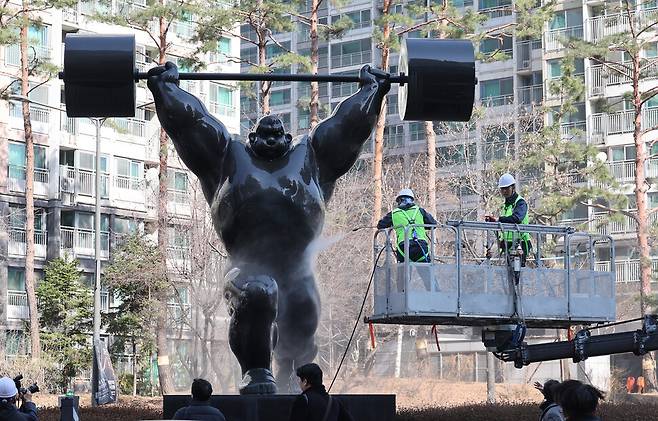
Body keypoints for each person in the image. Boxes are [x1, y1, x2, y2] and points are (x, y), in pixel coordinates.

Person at [148, 62, 390, 393]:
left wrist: (373, 91)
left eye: (278, 135)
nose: (272, 140)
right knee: (258, 292)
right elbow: (190, 123)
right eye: (264, 135)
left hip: (297, 273)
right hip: (246, 271)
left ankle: (291, 377)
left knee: (302, 322)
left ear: (289, 138)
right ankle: (257, 373)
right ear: (251, 138)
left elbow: (349, 126)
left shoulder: (313, 157)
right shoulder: (225, 157)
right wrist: (165, 89)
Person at [377, 188, 438, 263]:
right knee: (427, 272)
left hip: (404, 248)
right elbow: (433, 224)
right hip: (421, 247)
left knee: (402, 272)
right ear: (412, 200)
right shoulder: (420, 211)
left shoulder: (394, 213)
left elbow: (380, 225)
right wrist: (420, 226)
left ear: (399, 201)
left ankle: (402, 275)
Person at [485, 173, 532, 266]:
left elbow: (517, 218)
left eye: (507, 188)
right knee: (507, 271)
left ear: (513, 187)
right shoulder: (506, 205)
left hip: (521, 242)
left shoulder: (520, 202)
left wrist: (499, 219)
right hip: (508, 243)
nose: (504, 191)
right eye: (502, 189)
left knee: (518, 272)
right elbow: (505, 223)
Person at [288, 363, 353, 421]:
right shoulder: (334, 402)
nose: (299, 383)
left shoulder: (303, 400)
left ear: (305, 381)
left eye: (300, 380)